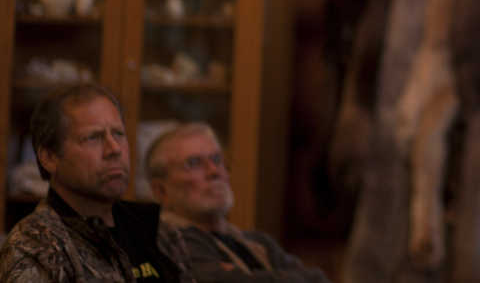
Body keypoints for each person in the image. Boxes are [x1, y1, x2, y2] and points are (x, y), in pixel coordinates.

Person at [0, 83, 195, 281]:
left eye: (118, 134)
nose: (114, 149)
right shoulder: (34, 247)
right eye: (93, 138)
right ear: (49, 157)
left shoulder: (156, 229)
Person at [145, 122, 331, 282]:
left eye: (217, 159)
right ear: (161, 190)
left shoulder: (259, 242)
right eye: (194, 163)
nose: (214, 171)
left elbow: (318, 279)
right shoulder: (167, 242)